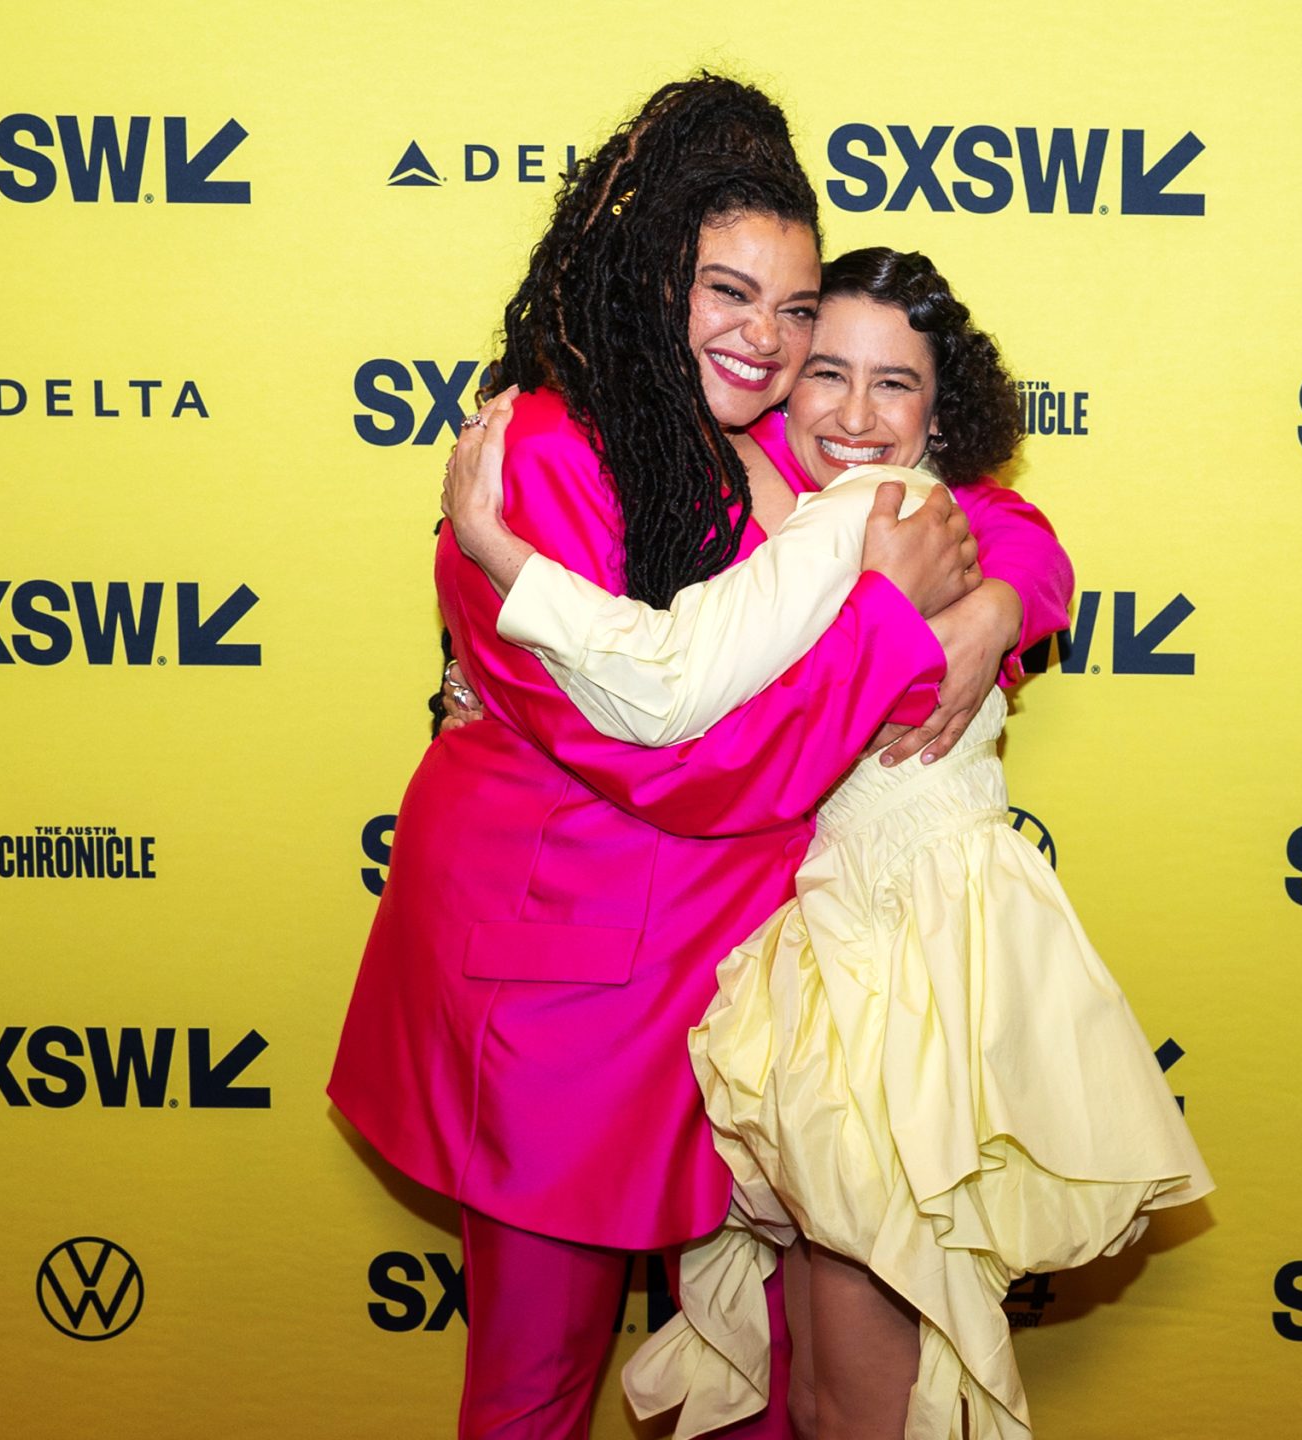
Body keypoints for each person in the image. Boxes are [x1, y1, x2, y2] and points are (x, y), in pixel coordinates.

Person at [324, 79, 1075, 1440]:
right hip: (568, 998)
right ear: (647, 271)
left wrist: (994, 608)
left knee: (756, 1371)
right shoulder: (544, 455)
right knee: (539, 1384)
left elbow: (971, 503)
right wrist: (905, 623)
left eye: (795, 309)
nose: (771, 342)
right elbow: (679, 758)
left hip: (738, 983)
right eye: (728, 293)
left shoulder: (740, 430)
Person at [441, 249, 1211, 1440]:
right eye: (827, 370)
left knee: (848, 1371)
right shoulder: (730, 506)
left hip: (893, 986)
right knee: (782, 1377)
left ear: (940, 412)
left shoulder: (911, 516)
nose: (855, 412)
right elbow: (687, 670)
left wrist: (999, 605)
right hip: (760, 981)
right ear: (783, 380)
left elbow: (1019, 546)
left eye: (894, 384)